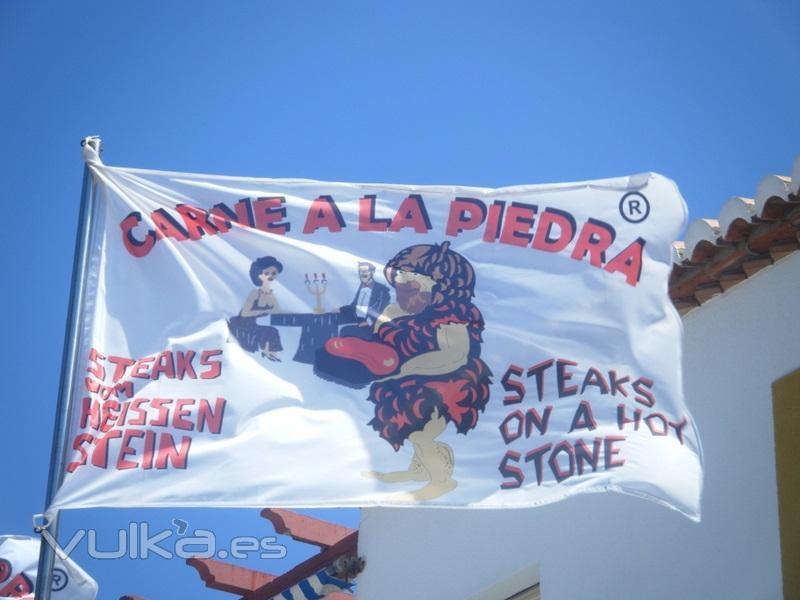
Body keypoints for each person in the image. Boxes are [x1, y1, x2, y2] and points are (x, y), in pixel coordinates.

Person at [316, 242, 492, 500]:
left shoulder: (452, 314)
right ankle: (419, 470)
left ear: (440, 286)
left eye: (411, 279)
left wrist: (406, 369)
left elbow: (455, 354)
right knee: (406, 429)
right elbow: (378, 340)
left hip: (446, 382)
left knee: (423, 433)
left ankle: (442, 481)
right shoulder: (394, 309)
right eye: (400, 277)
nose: (402, 284)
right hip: (401, 380)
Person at [228, 256, 284, 361]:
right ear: (260, 274)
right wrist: (264, 311)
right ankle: (267, 352)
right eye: (267, 273)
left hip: (252, 324)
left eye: (274, 273)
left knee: (272, 331)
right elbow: (245, 313)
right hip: (242, 323)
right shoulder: (255, 293)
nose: (270, 276)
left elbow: (277, 310)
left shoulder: (270, 294)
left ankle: (270, 352)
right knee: (269, 331)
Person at [339, 262, 391, 340]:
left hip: (371, 324)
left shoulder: (381, 289)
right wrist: (341, 309)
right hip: (356, 320)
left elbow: (382, 310)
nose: (362, 274)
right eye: (360, 271)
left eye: (365, 271)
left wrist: (368, 322)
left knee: (345, 332)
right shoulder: (361, 287)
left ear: (372, 272)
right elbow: (354, 305)